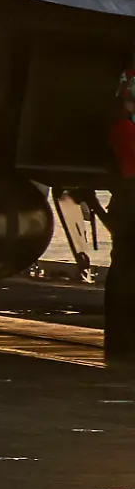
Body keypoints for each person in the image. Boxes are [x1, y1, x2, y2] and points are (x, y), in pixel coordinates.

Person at [104, 68, 135, 359]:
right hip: (131, 206)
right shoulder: (123, 127)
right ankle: (123, 343)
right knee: (126, 271)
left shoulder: (123, 124)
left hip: (127, 204)